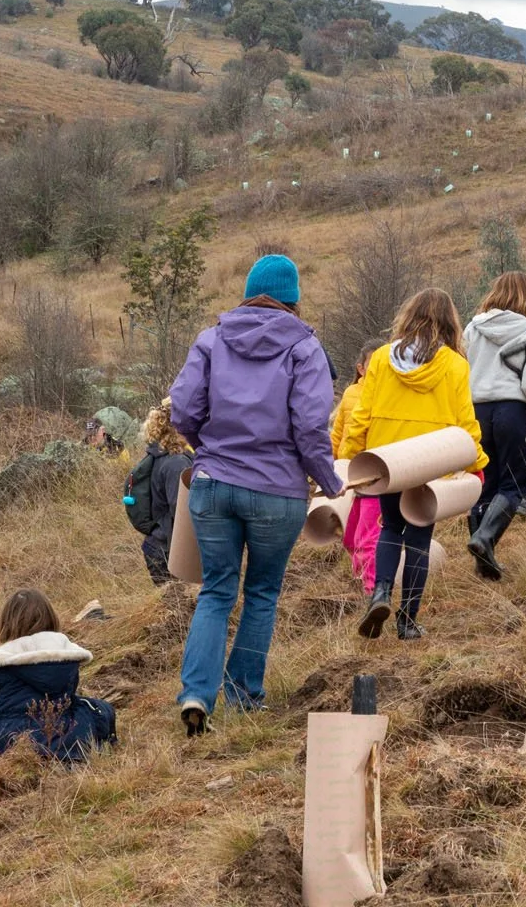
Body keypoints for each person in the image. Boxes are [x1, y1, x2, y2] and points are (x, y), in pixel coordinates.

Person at [168, 254, 340, 734]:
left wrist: (209, 449)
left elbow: (181, 410)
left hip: (214, 486)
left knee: (217, 590)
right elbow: (310, 427)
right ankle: (244, 698)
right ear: (293, 301)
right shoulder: (305, 348)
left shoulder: (211, 339)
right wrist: (328, 481)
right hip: (276, 493)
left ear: (248, 292)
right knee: (262, 592)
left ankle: (197, 695)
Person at [341, 288, 487, 640]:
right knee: (419, 538)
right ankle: (407, 621)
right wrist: (477, 461)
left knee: (390, 528)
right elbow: (465, 421)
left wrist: (349, 458)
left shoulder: (379, 358)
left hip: (388, 462)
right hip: (429, 462)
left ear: (409, 317)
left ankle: (379, 594)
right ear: (449, 322)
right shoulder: (455, 365)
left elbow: (362, 414)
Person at [461, 271, 526, 580]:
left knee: (486, 482)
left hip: (476, 412)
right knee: (515, 483)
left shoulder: (472, 329)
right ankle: (484, 539)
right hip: (511, 411)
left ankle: (483, 559)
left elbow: (463, 367)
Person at [0, 588, 116, 761]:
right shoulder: (66, 655)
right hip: (64, 737)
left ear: (7, 623)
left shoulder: (1, 661)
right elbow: (70, 698)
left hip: (8, 741)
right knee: (97, 708)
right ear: (50, 617)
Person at [331, 341, 383, 595]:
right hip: (349, 472)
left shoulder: (389, 393)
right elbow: (339, 431)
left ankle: (370, 589)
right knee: (350, 535)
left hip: (375, 473)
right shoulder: (351, 394)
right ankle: (359, 575)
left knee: (367, 534)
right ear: (361, 368)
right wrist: (328, 466)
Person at [128, 399, 192, 585]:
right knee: (179, 610)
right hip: (167, 553)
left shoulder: (162, 454)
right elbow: (181, 512)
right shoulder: (177, 463)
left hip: (159, 546)